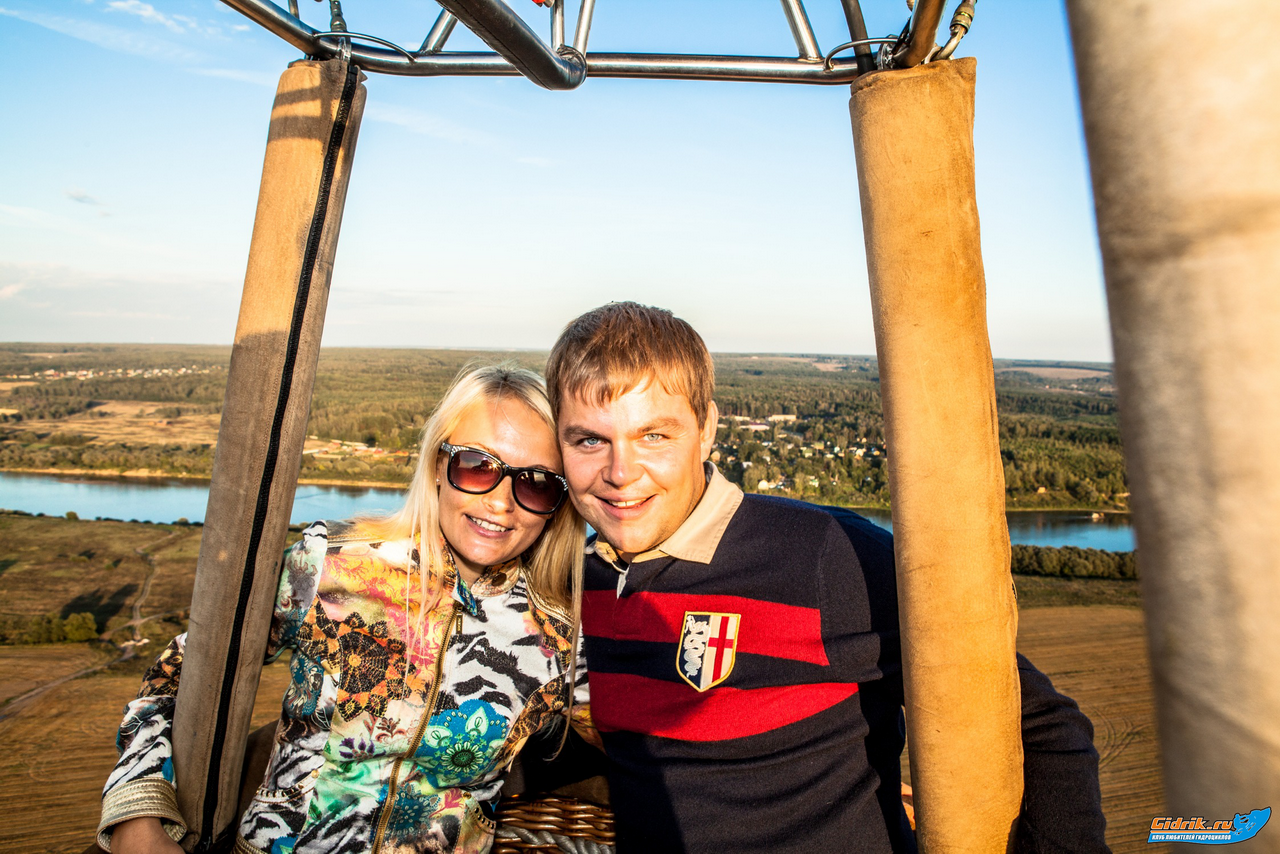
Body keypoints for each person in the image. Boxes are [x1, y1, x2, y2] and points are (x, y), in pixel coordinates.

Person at [544, 302, 1108, 853]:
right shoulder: (574, 585)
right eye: (590, 440)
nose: (621, 473)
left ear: (707, 428)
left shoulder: (826, 556)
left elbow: (1043, 725)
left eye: (654, 436)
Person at [97, 364, 590, 854]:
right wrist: (136, 815)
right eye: (477, 466)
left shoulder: (559, 634)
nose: (502, 502)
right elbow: (186, 672)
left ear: (559, 502)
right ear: (438, 466)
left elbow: (628, 729)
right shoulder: (332, 564)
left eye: (536, 482)